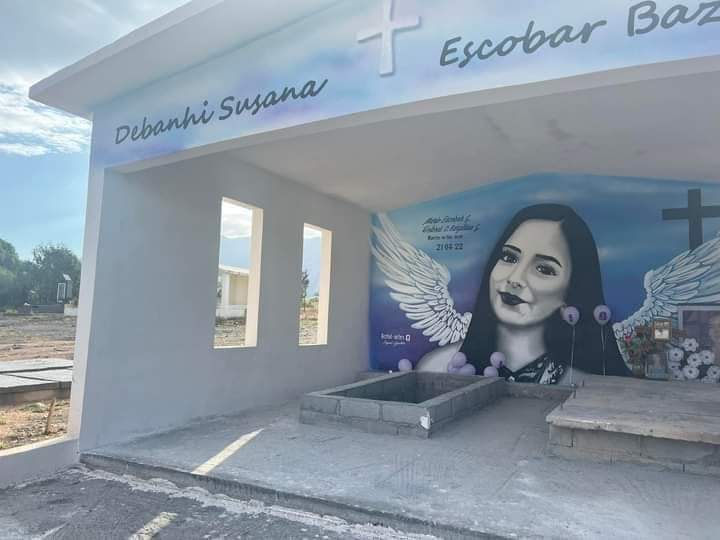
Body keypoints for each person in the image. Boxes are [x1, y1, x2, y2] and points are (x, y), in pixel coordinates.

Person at [417, 204, 629, 384]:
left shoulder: (585, 384)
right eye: (509, 258)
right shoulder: (435, 366)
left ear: (571, 291)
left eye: (543, 269)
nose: (515, 278)